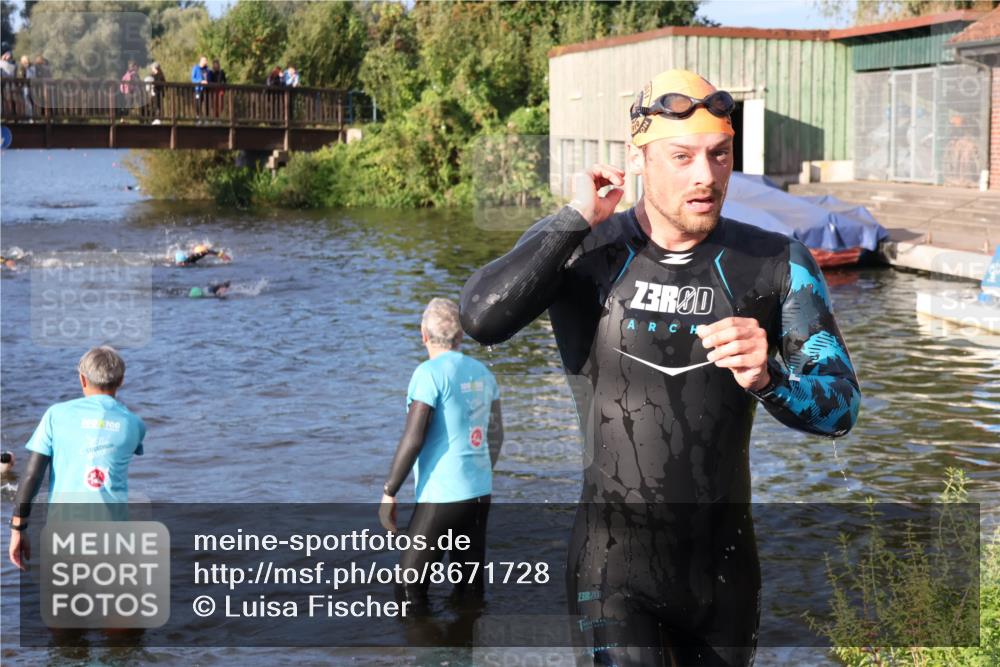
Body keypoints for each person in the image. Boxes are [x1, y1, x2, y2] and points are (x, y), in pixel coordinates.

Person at [460, 69, 861, 666]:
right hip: (613, 572)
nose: (706, 175)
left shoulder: (777, 262)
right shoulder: (585, 252)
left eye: (719, 154)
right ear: (639, 158)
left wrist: (771, 380)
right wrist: (575, 216)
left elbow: (841, 408)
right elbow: (481, 318)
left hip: (725, 579)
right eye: (682, 156)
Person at [379, 297, 503, 610]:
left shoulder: (428, 374)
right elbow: (496, 436)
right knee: (469, 586)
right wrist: (478, 473)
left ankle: (426, 639)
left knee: (408, 589)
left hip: (441, 497)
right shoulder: (483, 373)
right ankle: (466, 637)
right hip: (479, 495)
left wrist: (389, 491)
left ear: (424, 335)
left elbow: (414, 437)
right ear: (460, 336)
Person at [8, 346, 146, 570]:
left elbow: (33, 475)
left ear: (82, 379)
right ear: (121, 380)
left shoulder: (55, 415)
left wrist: (18, 528)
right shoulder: (134, 424)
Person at [190, 56, 209, 121]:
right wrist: (200, 81)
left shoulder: (207, 69)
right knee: (198, 103)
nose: (206, 62)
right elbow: (193, 79)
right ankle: (198, 117)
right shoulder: (195, 68)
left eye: (206, 60)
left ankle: (206, 118)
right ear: (201, 61)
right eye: (205, 60)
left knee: (206, 104)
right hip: (198, 90)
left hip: (206, 90)